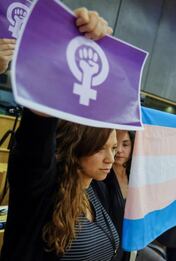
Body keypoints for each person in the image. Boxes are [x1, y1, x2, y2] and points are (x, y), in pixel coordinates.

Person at [0, 8, 117, 261]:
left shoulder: (97, 188)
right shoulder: (41, 188)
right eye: (101, 148)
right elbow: (36, 139)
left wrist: (96, 50)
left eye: (115, 149)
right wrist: (68, 39)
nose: (111, 158)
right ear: (79, 145)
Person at [92, 130, 135, 261]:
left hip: (128, 242)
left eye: (126, 144)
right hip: (108, 247)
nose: (120, 151)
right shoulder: (101, 177)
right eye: (116, 146)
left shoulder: (134, 175)